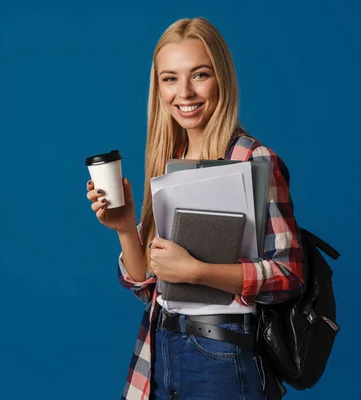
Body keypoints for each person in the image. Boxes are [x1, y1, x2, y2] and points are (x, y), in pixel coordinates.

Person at [85, 17, 305, 400]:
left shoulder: (254, 159)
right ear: (158, 86)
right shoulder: (171, 158)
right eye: (170, 78)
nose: (183, 92)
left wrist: (199, 271)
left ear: (221, 77)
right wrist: (125, 228)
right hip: (160, 345)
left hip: (220, 351)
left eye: (199, 75)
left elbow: (289, 275)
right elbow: (151, 285)